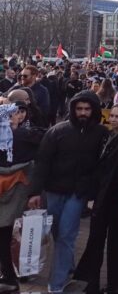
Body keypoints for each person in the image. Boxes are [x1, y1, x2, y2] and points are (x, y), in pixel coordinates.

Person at [28, 91, 108, 292]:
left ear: (94, 110)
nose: (83, 113)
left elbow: (102, 165)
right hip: (54, 190)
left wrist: (93, 192)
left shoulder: (101, 134)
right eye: (79, 109)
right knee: (57, 232)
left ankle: (56, 284)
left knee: (66, 235)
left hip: (78, 192)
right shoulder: (57, 131)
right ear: (73, 109)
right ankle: (68, 264)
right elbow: (42, 162)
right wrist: (35, 192)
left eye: (87, 109)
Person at [73, 103, 118, 292]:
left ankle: (113, 284)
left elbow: (117, 171)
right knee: (96, 240)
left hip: (116, 199)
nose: (113, 120)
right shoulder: (110, 135)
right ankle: (90, 282)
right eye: (113, 116)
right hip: (104, 196)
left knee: (115, 242)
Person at [0, 102, 44, 293]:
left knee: (4, 236)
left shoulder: (20, 135)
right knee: (9, 235)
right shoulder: (26, 135)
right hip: (18, 191)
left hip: (9, 193)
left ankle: (9, 276)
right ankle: (11, 275)